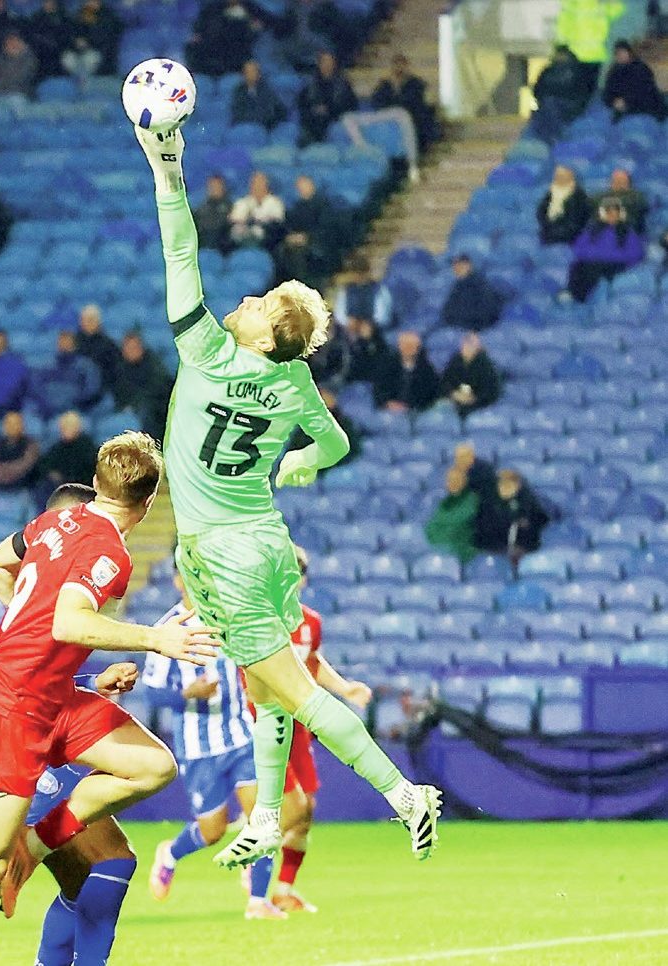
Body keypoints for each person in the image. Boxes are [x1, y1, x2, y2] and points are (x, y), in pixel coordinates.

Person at [135, 124, 439, 871]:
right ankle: (268, 815)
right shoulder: (296, 381)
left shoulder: (206, 349)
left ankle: (404, 794)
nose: (248, 296)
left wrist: (167, 168)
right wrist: (299, 465)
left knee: (295, 692)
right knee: (262, 687)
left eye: (265, 301)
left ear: (269, 335)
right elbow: (336, 445)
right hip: (267, 543)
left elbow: (181, 251)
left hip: (221, 552)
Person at [0, 436, 220, 966]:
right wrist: (154, 638)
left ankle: (35, 844)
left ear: (96, 484)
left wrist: (21, 630)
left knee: (152, 765)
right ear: (148, 502)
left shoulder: (53, 522)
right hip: (7, 708)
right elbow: (68, 621)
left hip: (51, 698)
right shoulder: (110, 552)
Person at [144, 574, 287, 920]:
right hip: (199, 747)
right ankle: (170, 853)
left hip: (241, 735)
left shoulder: (230, 618)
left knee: (264, 817)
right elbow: (152, 691)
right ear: (178, 581)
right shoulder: (169, 628)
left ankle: (257, 901)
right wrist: (187, 694)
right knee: (213, 831)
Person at [267, 547, 374, 914]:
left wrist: (345, 688)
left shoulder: (311, 622)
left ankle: (283, 889)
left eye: (295, 575)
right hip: (267, 723)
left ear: (303, 579)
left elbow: (312, 664)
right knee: (293, 807)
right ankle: (254, 868)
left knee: (307, 808)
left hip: (300, 723)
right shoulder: (261, 620)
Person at [568, 198, 645, 302]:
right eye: (609, 213)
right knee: (576, 267)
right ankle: (572, 295)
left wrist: (608, 256)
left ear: (620, 214)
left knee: (593, 270)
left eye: (615, 213)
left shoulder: (627, 231)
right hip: (592, 261)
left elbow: (636, 253)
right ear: (603, 214)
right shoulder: (592, 229)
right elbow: (578, 248)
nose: (612, 216)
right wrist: (594, 255)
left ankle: (582, 298)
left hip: (615, 264)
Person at [474, 468, 551, 561]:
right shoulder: (486, 505)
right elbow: (481, 534)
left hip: (526, 553)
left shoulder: (531, 504)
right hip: (495, 552)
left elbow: (541, 523)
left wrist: (523, 546)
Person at [112, 331, 171, 441]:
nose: (131, 351)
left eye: (134, 347)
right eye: (128, 347)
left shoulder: (154, 366)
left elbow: (160, 390)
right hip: (126, 408)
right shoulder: (119, 367)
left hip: (154, 411)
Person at [297, 51, 357, 146]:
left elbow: (351, 106)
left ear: (334, 64)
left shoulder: (344, 85)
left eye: (330, 62)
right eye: (324, 62)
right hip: (313, 122)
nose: (327, 65)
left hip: (336, 120)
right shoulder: (308, 85)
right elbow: (302, 107)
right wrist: (315, 110)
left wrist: (328, 109)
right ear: (319, 64)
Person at [372, 330, 439, 413]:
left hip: (415, 411)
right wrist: (388, 403)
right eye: (405, 345)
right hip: (389, 408)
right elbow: (379, 388)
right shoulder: (387, 364)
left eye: (412, 346)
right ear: (399, 346)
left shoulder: (426, 368)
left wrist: (411, 407)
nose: (408, 349)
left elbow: (431, 393)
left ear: (418, 348)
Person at [425, 467, 480, 563]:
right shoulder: (443, 504)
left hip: (467, 556)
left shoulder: (474, 503)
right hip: (445, 555)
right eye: (450, 481)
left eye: (457, 481)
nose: (452, 484)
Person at [602, 40, 666, 121]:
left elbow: (644, 91)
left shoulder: (641, 69)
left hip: (647, 109)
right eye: (618, 53)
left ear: (630, 53)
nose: (621, 56)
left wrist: (626, 101)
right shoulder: (614, 72)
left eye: (623, 52)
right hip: (625, 109)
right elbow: (608, 91)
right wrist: (613, 101)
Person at [440, 331, 501, 415]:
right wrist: (454, 394)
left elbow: (491, 391)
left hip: (479, 404)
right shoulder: (455, 360)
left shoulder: (486, 365)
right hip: (455, 401)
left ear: (478, 347)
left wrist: (473, 399)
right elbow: (445, 381)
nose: (467, 347)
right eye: (465, 343)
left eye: (471, 344)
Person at [36, 411, 96, 493]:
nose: (65, 429)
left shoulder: (87, 447)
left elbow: (85, 472)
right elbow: (44, 464)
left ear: (78, 427)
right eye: (63, 426)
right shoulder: (58, 447)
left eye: (69, 426)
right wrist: (52, 473)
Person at [440, 253, 503, 331]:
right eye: (454, 265)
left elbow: (487, 313)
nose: (456, 268)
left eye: (460, 265)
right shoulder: (457, 285)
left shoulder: (480, 285)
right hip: (456, 327)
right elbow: (447, 311)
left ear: (469, 266)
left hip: (475, 330)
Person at [61, 0, 122, 79]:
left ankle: (87, 83)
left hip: (98, 51)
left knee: (90, 59)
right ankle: (74, 83)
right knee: (67, 58)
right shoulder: (78, 15)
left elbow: (106, 39)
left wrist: (88, 42)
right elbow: (71, 33)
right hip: (77, 51)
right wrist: (76, 42)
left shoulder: (109, 16)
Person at [537, 165, 593, 245]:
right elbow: (541, 212)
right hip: (549, 234)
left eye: (561, 176)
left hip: (570, 238)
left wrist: (556, 232)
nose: (558, 178)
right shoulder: (551, 193)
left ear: (570, 177)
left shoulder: (579, 197)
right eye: (557, 176)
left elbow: (575, 222)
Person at [0, 410, 39, 492]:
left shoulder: (30, 444)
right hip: (0, 482)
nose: (12, 427)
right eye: (9, 424)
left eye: (15, 424)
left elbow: (25, 464)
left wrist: (6, 472)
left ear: (22, 426)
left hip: (22, 485)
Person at [228, 171, 284, 249]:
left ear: (266, 185)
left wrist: (258, 222)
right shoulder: (242, 202)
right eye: (254, 183)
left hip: (265, 239)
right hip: (241, 239)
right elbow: (235, 219)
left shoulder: (275, 203)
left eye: (260, 183)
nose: (257, 186)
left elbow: (276, 221)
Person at [73, 305, 119, 393]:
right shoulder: (73, 344)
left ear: (98, 322)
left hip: (102, 393)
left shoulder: (109, 345)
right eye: (84, 320)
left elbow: (114, 372)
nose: (87, 323)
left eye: (90, 320)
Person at [230, 60, 286, 130]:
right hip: (244, 125)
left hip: (263, 126)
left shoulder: (267, 90)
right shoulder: (239, 90)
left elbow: (272, 110)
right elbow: (237, 110)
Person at [595, 168, 647, 234]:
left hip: (629, 234)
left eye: (622, 182)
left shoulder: (638, 198)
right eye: (616, 181)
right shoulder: (600, 197)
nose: (619, 185)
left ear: (629, 184)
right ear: (611, 183)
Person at [192, 174, 234, 252]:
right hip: (203, 245)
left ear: (223, 187)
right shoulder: (201, 209)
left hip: (223, 248)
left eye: (217, 186)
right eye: (212, 186)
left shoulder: (231, 207)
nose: (214, 189)